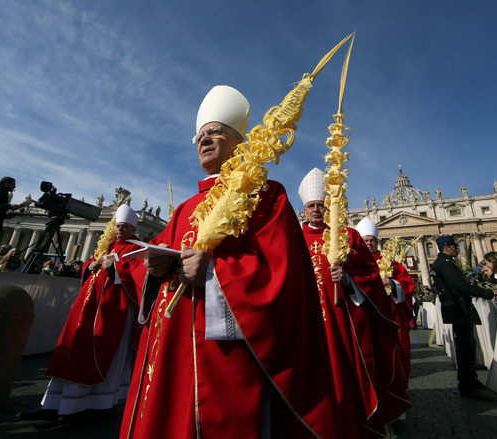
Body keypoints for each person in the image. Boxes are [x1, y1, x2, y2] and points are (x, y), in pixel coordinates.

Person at [120, 86, 340, 439]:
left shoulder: (267, 196)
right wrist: (154, 267)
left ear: (240, 142)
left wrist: (212, 272)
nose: (204, 140)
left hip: (223, 352)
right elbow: (153, 255)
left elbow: (281, 272)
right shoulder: (183, 209)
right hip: (169, 349)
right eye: (200, 135)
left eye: (215, 132)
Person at [298, 168, 409, 438]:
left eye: (321, 205)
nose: (316, 210)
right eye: (311, 205)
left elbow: (370, 273)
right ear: (304, 208)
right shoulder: (292, 236)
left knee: (346, 375)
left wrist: (348, 280)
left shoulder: (348, 236)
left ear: (328, 207)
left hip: (343, 320)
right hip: (306, 320)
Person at [33, 204, 144, 420]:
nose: (119, 230)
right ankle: (52, 404)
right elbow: (89, 265)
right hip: (87, 307)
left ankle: (90, 405)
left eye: (124, 227)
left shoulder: (136, 249)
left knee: (93, 352)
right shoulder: (107, 245)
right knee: (71, 348)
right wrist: (90, 266)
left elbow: (139, 276)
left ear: (132, 229)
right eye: (118, 226)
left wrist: (114, 269)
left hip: (112, 312)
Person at [431, 235, 497, 401]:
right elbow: (461, 287)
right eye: (454, 246)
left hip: (456, 308)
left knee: (467, 345)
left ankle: (471, 379)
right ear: (446, 248)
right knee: (465, 347)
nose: (458, 248)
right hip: (459, 308)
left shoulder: (442, 263)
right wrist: (490, 293)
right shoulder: (446, 264)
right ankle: (467, 385)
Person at [356, 218, 416, 395]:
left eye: (372, 241)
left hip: (388, 319)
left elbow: (407, 285)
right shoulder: (355, 262)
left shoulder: (391, 263)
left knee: (389, 360)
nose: (369, 243)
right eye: (365, 240)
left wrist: (393, 283)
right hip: (364, 318)